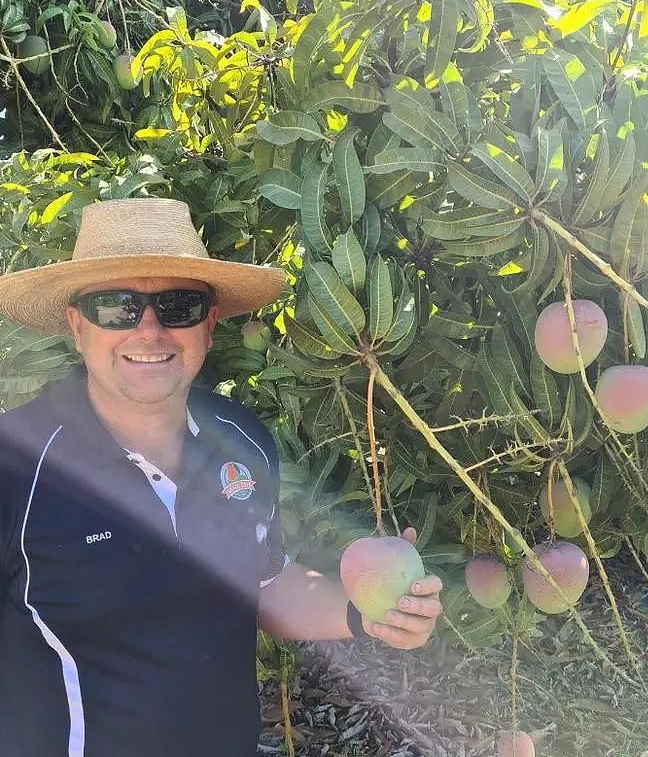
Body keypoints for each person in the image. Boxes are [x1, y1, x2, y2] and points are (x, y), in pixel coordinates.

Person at [0, 198, 443, 757]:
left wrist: (366, 614)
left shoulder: (242, 437)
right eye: (115, 307)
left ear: (209, 324)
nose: (149, 330)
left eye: (179, 305)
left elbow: (262, 581)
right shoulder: (15, 464)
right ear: (76, 325)